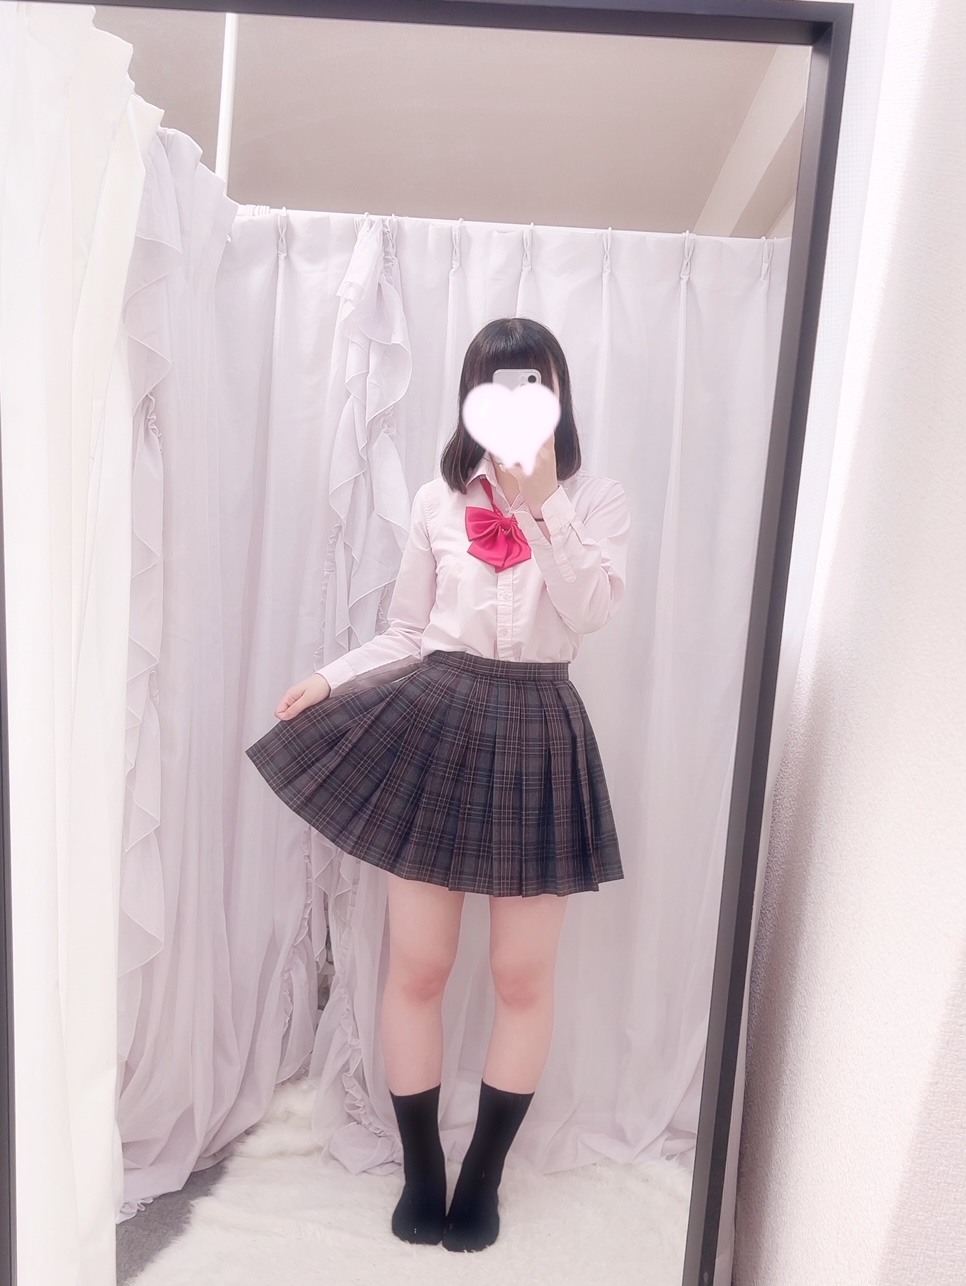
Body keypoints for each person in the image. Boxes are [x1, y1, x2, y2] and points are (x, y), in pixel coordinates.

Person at [246, 317, 630, 1253]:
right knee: (419, 965)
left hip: (539, 725)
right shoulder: (436, 500)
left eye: (535, 383)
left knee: (520, 975)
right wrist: (330, 678)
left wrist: (545, 503)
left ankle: (482, 1178)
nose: (518, 401)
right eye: (498, 385)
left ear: (559, 393)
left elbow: (591, 611)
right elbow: (412, 631)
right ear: (471, 397)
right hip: (439, 719)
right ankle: (422, 1173)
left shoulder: (598, 499)